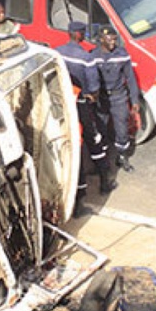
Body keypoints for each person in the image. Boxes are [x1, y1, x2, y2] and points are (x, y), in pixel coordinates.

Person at [56, 22, 117, 215]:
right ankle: (104, 182)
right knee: (94, 141)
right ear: (80, 35)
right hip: (82, 104)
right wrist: (92, 98)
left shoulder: (58, 53)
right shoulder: (86, 58)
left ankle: (78, 196)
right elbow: (93, 87)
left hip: (63, 104)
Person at [93, 25, 140, 173]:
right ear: (101, 40)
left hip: (118, 97)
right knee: (101, 129)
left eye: (114, 39)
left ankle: (122, 157)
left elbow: (130, 79)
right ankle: (103, 161)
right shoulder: (93, 56)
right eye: (109, 40)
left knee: (122, 129)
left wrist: (134, 100)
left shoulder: (122, 54)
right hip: (101, 99)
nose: (113, 43)